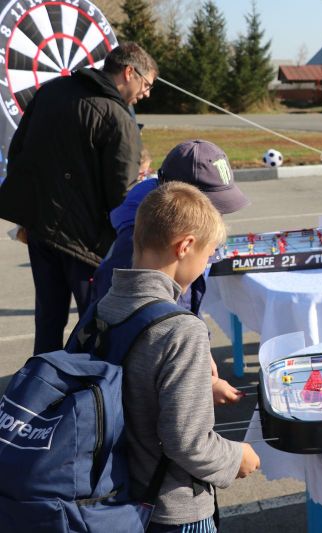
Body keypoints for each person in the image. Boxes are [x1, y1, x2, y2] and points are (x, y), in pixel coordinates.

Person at [97, 182, 261, 530]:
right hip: (173, 507)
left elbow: (134, 386)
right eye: (208, 254)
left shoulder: (105, 305)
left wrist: (197, 387)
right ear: (185, 246)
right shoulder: (181, 329)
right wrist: (236, 458)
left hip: (117, 494)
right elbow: (187, 442)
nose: (206, 265)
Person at [0, 42, 157, 355]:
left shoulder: (51, 91)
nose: (147, 93)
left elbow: (17, 154)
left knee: (48, 320)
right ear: (129, 72)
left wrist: (29, 215)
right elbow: (122, 196)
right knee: (96, 326)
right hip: (86, 243)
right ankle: (92, 384)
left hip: (41, 230)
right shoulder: (117, 116)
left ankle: (41, 381)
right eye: (147, 84)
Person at [91, 140, 250, 406]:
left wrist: (199, 349)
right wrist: (195, 382)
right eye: (213, 209)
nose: (218, 220)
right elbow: (134, 350)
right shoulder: (135, 253)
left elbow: (185, 305)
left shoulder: (169, 237)